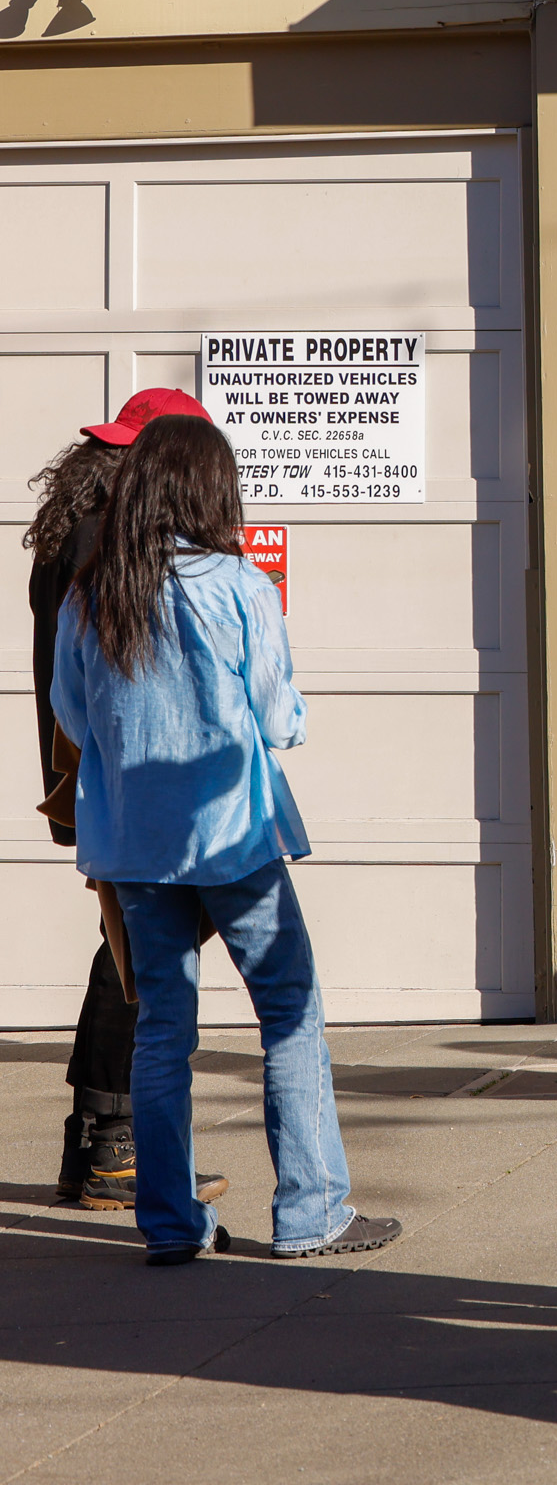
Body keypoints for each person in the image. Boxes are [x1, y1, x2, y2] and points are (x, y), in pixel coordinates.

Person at [55, 414, 398, 1265]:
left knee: (164, 1028)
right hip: (232, 838)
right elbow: (280, 720)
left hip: (135, 843)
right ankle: (311, 1212)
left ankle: (170, 1224)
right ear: (211, 491)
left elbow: (72, 716)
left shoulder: (92, 592)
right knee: (288, 1010)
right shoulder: (237, 583)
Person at [30, 390, 228, 1216]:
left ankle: (95, 1142)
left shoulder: (77, 527)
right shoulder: (108, 538)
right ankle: (113, 1145)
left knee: (130, 942)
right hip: (117, 771)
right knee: (138, 948)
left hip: (85, 770)